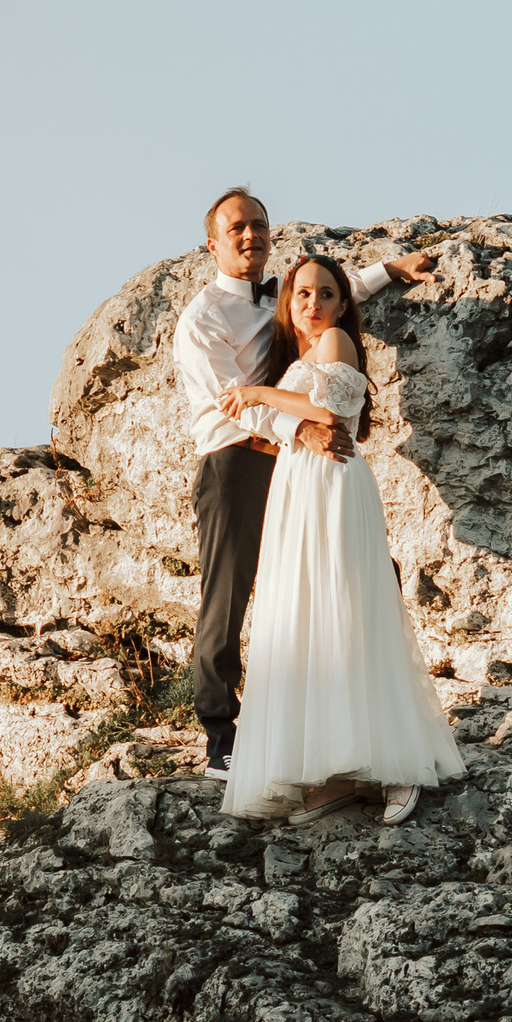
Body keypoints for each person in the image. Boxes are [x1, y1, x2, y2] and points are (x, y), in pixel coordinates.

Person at [173, 188, 438, 781]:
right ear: (213, 244)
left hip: (293, 463)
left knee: (334, 575)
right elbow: (230, 403)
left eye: (260, 225)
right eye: (237, 228)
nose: (251, 235)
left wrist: (390, 269)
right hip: (236, 461)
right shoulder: (201, 319)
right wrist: (304, 427)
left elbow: (325, 301)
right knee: (229, 594)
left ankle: (355, 715)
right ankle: (221, 736)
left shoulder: (282, 296)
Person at [214, 253, 464, 825]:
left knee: (351, 607)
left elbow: (327, 413)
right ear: (288, 303)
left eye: (326, 294)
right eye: (302, 294)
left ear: (343, 302)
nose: (313, 303)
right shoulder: (303, 353)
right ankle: (339, 771)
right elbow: (291, 417)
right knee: (310, 618)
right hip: (298, 488)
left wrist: (256, 394)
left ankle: (398, 764)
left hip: (333, 484)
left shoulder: (336, 346)